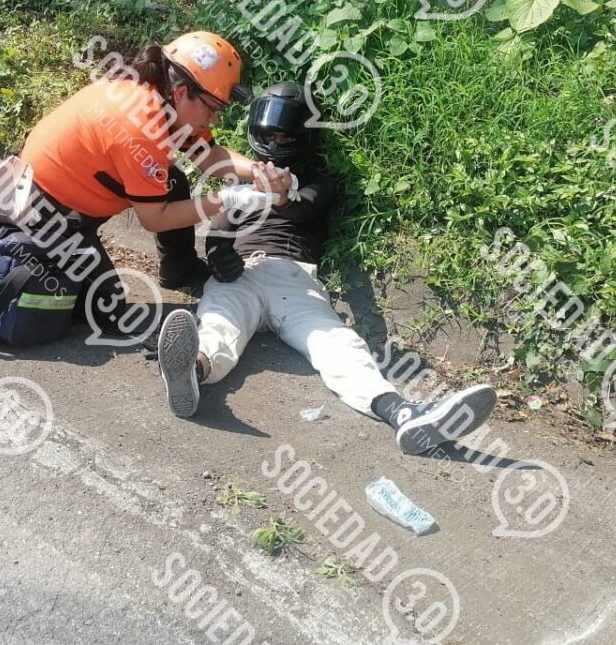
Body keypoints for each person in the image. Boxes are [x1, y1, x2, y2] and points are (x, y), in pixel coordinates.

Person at [156, 82, 498, 454]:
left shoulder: (320, 181)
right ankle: (193, 369)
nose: (273, 140)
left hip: (292, 277)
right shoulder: (240, 180)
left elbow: (305, 208)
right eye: (266, 133)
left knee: (335, 342)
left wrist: (281, 195)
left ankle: (401, 413)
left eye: (282, 134)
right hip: (242, 275)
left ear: (302, 137)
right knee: (219, 323)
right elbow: (220, 231)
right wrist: (220, 257)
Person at [19, 31, 289, 294]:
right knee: (108, 309)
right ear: (183, 92)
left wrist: (260, 172)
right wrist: (230, 197)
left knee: (172, 181)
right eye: (213, 109)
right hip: (45, 212)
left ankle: (179, 269)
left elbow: (209, 155)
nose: (215, 119)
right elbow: (154, 218)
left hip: (65, 192)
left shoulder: (162, 95)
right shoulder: (141, 125)